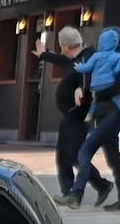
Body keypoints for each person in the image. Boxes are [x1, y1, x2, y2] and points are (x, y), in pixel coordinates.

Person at [63, 26, 120, 209]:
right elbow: (91, 74)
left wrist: (98, 89)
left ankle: (75, 194)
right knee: (113, 158)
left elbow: (119, 86)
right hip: (102, 111)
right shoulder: (104, 58)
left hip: (113, 111)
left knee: (84, 151)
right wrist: (85, 88)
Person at [35, 27, 88, 196]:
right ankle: (68, 192)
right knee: (63, 156)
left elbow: (92, 78)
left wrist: (82, 88)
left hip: (79, 115)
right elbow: (60, 60)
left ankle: (99, 183)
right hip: (70, 114)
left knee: (72, 155)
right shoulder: (72, 59)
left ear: (65, 46)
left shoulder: (85, 59)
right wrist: (44, 55)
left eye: (61, 46)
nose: (60, 50)